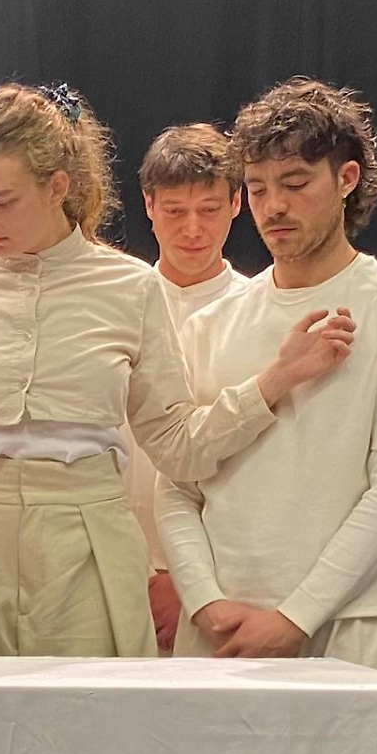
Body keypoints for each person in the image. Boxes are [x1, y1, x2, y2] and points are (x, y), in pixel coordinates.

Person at [0, 83, 353, 657]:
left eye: (3, 201)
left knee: (90, 712)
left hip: (89, 552)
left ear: (57, 186)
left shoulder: (129, 287)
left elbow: (178, 446)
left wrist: (275, 380)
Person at [155, 78, 377, 676]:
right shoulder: (208, 325)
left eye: (295, 184)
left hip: (352, 625)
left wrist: (296, 616)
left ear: (346, 179)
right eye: (258, 187)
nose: (274, 206)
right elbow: (176, 483)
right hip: (221, 629)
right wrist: (205, 600)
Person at [127, 124, 252, 649]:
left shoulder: (257, 310)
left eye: (209, 209)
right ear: (149, 205)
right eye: (176, 211)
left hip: (220, 581)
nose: (193, 229)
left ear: (237, 203)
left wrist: (188, 582)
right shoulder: (116, 302)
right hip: (111, 563)